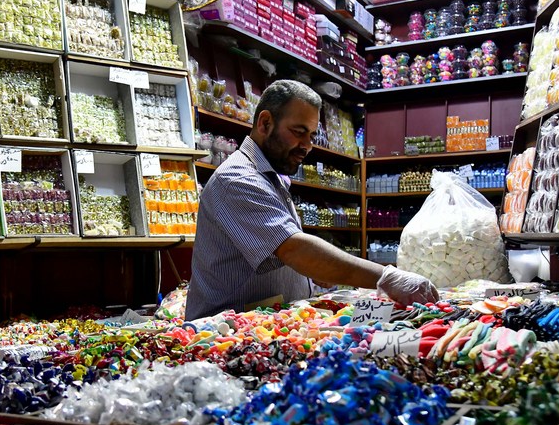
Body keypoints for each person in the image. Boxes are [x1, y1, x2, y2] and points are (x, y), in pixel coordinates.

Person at [186, 80, 438, 320]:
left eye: (312, 136)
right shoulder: (237, 179)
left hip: (259, 325)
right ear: (265, 123)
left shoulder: (271, 177)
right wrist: (387, 277)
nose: (307, 146)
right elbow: (294, 249)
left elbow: (284, 251)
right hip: (220, 334)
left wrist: (315, 271)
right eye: (299, 132)